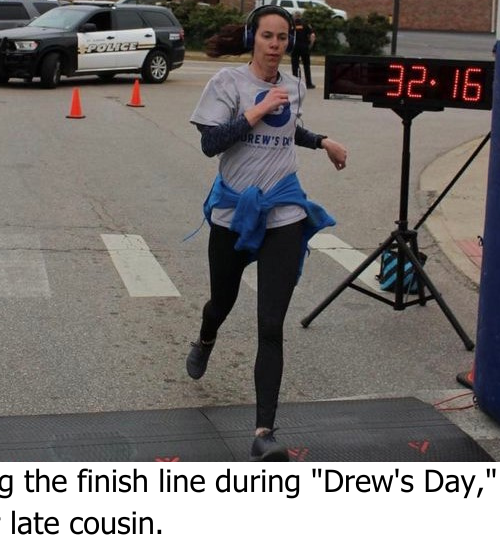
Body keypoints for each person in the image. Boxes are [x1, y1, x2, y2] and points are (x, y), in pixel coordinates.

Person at [187, 5, 348, 461]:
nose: (275, 44)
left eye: (283, 37)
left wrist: (322, 142)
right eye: (268, 36)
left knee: (271, 324)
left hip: (283, 209)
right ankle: (206, 338)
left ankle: (264, 433)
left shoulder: (294, 86)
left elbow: (289, 128)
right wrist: (256, 110)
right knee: (222, 302)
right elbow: (210, 144)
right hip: (235, 214)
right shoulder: (226, 85)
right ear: (252, 38)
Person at [291, 11, 316, 89]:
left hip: (295, 47)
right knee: (306, 65)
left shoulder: (291, 25)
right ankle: (308, 83)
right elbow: (312, 36)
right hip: (304, 47)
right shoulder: (305, 24)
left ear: (294, 16)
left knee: (295, 66)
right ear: (300, 16)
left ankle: (295, 83)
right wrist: (310, 45)